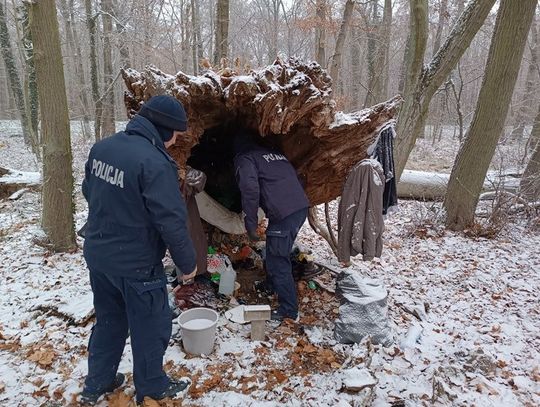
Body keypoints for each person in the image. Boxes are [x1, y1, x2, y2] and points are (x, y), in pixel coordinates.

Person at [80, 95, 197, 404]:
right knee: (151, 326)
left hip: (99, 257)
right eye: (177, 135)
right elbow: (171, 222)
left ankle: (98, 383)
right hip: (137, 265)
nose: (175, 142)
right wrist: (188, 265)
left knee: (109, 320)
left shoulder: (102, 148)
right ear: (166, 130)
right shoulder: (155, 163)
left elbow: (89, 191)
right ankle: (152, 387)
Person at [233, 130, 309, 321]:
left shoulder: (245, 158)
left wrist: (250, 224)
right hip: (299, 207)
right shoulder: (274, 155)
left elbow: (250, 191)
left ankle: (289, 310)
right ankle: (272, 286)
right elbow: (295, 179)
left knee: (277, 260)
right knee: (276, 250)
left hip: (284, 214)